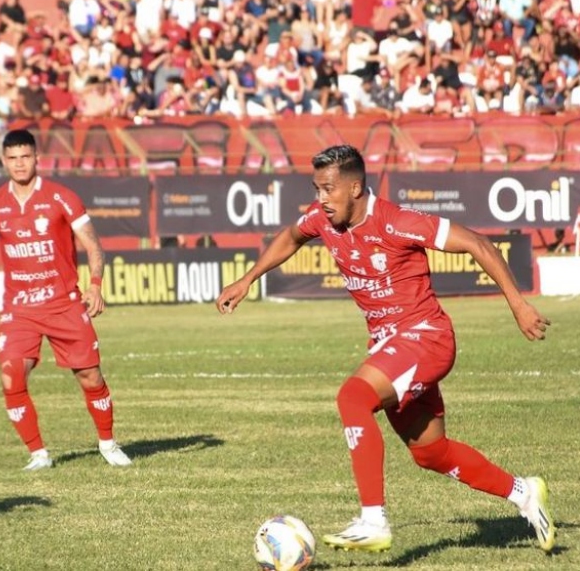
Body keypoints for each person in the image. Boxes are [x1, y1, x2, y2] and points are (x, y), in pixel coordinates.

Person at [215, 144, 555, 553]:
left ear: (355, 188)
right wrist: (248, 278)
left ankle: (373, 519)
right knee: (431, 452)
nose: (321, 200)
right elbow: (290, 237)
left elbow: (478, 243)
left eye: (328, 189)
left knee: (352, 397)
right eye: (316, 189)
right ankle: (524, 493)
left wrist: (518, 305)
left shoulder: (397, 222)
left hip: (426, 337)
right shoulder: (323, 220)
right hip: (392, 344)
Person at [0, 128, 131, 471]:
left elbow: (92, 244)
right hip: (20, 309)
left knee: (90, 376)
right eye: (13, 158)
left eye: (25, 157)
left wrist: (94, 285)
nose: (19, 164)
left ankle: (107, 443)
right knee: (11, 375)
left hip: (64, 304)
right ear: (4, 161)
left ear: (36, 158)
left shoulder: (62, 197)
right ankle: (38, 454)